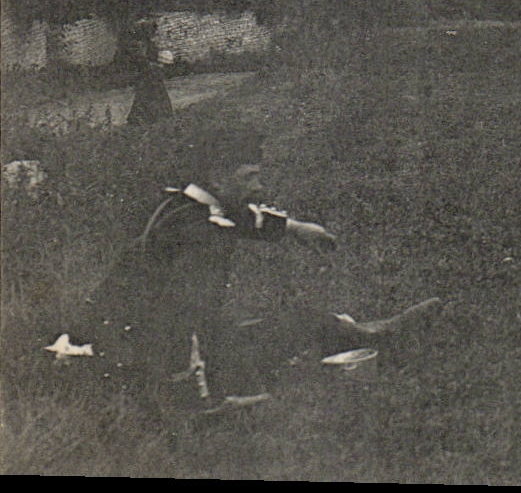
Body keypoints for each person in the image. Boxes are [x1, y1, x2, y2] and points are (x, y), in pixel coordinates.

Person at [60, 128, 438, 413]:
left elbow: (241, 216)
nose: (259, 186)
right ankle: (375, 337)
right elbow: (181, 317)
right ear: (217, 178)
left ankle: (360, 332)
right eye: (249, 177)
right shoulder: (203, 239)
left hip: (108, 337)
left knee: (273, 326)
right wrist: (206, 398)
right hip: (140, 352)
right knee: (291, 326)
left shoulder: (183, 205)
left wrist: (296, 228)